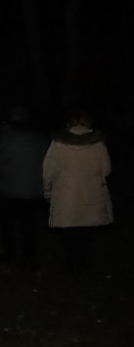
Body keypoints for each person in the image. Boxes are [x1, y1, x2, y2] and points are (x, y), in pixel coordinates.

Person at [42, 110, 113, 274]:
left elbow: (48, 171)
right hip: (91, 195)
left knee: (69, 232)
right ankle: (85, 261)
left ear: (69, 124)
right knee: (85, 230)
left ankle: (72, 263)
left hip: (66, 195)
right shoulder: (99, 144)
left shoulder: (58, 144)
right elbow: (107, 170)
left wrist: (47, 192)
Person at [0, 105, 49, 271]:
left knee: (8, 224)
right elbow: (48, 165)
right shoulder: (40, 140)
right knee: (29, 225)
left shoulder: (1, 140)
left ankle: (10, 253)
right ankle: (29, 256)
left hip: (8, 190)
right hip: (31, 191)